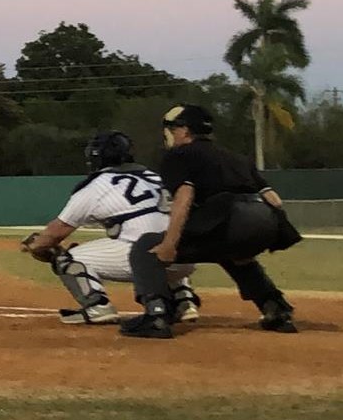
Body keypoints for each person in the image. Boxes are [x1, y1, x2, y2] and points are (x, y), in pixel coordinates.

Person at [121, 104, 301, 339]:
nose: (170, 134)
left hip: (230, 216)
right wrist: (275, 232)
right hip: (266, 221)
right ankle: (276, 308)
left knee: (146, 247)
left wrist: (169, 244)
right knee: (233, 253)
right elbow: (273, 199)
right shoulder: (236, 157)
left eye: (173, 129)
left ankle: (156, 315)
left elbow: (184, 198)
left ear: (184, 131)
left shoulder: (178, 155)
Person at [19, 131, 198, 325]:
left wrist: (36, 245)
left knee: (67, 258)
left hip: (144, 259)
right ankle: (183, 301)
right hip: (185, 258)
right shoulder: (154, 176)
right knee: (164, 237)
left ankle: (97, 306)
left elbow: (57, 231)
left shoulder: (96, 185)